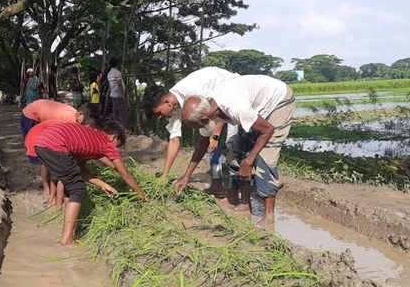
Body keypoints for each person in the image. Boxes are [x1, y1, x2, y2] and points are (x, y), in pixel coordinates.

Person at [174, 75, 297, 225]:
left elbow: (268, 130)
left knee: (265, 157)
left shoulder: (234, 106)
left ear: (205, 120)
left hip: (278, 100)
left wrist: (250, 160)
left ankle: (268, 217)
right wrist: (187, 176)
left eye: (198, 127)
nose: (200, 130)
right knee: (235, 154)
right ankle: (244, 203)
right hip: (255, 108)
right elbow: (202, 144)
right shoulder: (208, 107)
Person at [34, 121, 146, 246]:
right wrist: (141, 195)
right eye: (117, 145)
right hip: (54, 145)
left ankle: (70, 232)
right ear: (114, 136)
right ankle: (66, 241)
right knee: (78, 190)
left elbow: (81, 170)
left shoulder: (90, 139)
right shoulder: (107, 143)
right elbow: (125, 174)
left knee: (70, 187)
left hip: (41, 143)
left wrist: (103, 184)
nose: (115, 149)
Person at [143, 67, 240, 195]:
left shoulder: (193, 91)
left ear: (167, 102)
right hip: (216, 105)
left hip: (234, 93)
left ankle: (237, 192)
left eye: (158, 113)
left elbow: (220, 105)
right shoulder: (175, 105)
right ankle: (217, 185)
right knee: (209, 142)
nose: (159, 117)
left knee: (231, 142)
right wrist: (164, 176)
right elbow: (174, 140)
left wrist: (215, 136)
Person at [24, 103, 108, 208]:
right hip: (40, 136)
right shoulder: (72, 124)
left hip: (45, 138)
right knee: (62, 173)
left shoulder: (77, 125)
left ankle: (55, 200)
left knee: (59, 171)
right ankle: (53, 198)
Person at [106, 57, 127, 127]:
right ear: (116, 64)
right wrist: (123, 95)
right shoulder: (117, 73)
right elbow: (119, 84)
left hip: (113, 94)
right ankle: (122, 127)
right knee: (122, 112)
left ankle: (116, 126)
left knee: (115, 111)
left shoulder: (109, 74)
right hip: (118, 94)